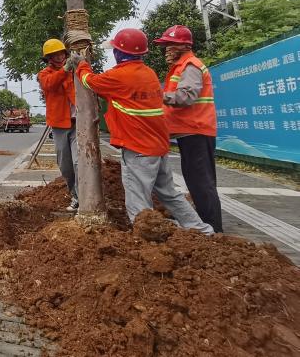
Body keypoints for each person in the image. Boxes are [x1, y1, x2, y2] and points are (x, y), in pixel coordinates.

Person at [69, 29, 214, 235]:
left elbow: (89, 81)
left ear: (119, 53)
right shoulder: (148, 73)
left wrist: (80, 64)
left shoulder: (119, 76)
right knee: (169, 193)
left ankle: (145, 239)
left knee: (138, 198)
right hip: (158, 145)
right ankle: (202, 230)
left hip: (137, 148)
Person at [154, 25, 223, 233]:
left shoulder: (190, 65)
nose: (166, 49)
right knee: (197, 181)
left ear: (184, 45)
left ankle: (213, 229)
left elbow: (186, 96)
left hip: (196, 131)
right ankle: (207, 224)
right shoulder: (180, 66)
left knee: (201, 183)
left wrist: (158, 95)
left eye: (170, 44)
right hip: (191, 132)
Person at [37, 38, 78, 211]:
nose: (59, 57)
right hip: (60, 126)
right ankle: (75, 195)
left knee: (79, 162)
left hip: (78, 123)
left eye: (61, 53)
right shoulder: (44, 74)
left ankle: (84, 198)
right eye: (54, 55)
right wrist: (66, 69)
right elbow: (50, 84)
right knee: (66, 165)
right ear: (48, 59)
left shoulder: (74, 70)